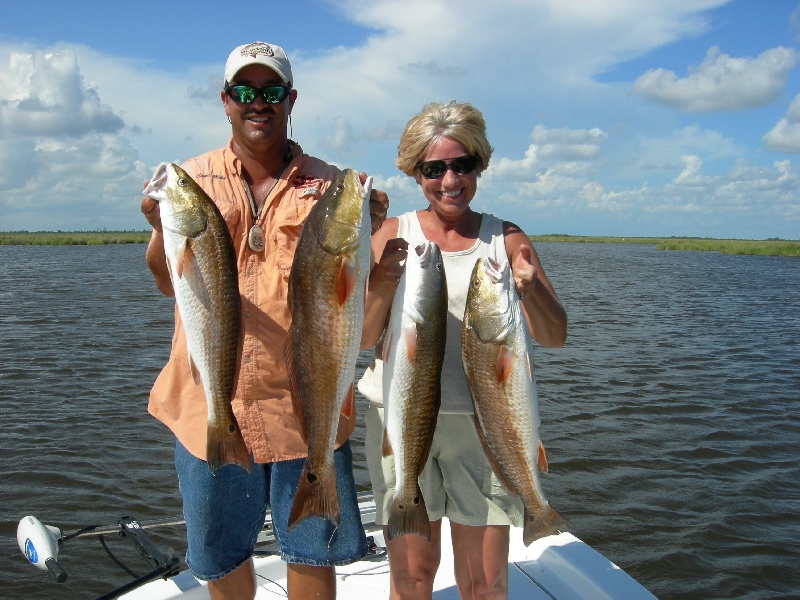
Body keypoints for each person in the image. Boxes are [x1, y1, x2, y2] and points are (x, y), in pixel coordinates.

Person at [140, 41, 389, 600]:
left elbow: (352, 295)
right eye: (246, 92)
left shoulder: (329, 184)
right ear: (226, 100)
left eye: (272, 92)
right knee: (223, 557)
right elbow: (166, 282)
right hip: (207, 404)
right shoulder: (192, 180)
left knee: (310, 553)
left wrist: (368, 224)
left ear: (290, 100)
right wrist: (161, 228)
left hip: (306, 400)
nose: (260, 103)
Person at [359, 100, 568, 600]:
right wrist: (383, 281)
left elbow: (554, 334)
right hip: (401, 420)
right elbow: (364, 337)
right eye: (434, 169)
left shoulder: (506, 238)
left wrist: (531, 288)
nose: (450, 180)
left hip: (487, 424)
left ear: (479, 165)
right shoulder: (393, 235)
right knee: (411, 576)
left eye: (462, 165)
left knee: (484, 582)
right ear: (415, 172)